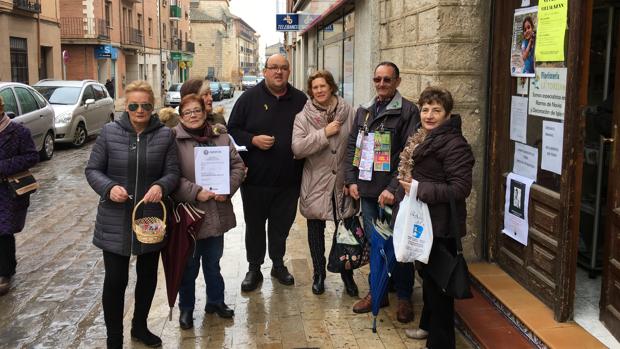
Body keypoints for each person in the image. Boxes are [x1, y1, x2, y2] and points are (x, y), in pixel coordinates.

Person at [85, 81, 180, 349]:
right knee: (116, 279)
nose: (140, 110)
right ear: (126, 106)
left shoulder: (165, 136)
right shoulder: (109, 132)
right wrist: (108, 187)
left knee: (148, 276)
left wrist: (161, 186)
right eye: (135, 105)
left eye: (146, 105)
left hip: (149, 219)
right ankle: (114, 337)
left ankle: (139, 326)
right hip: (114, 218)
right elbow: (93, 170)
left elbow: (172, 172)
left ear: (153, 107)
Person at [397, 87, 474, 349]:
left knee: (440, 288)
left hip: (442, 226)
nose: (429, 115)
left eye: (436, 110)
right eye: (425, 109)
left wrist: (420, 189)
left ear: (447, 113)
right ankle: (426, 327)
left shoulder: (454, 144)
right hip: (425, 222)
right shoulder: (424, 136)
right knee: (429, 280)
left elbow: (461, 187)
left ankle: (441, 343)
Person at [343, 62, 420, 323]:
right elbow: (354, 144)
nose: (381, 84)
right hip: (366, 191)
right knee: (376, 244)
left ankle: (405, 296)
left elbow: (410, 155)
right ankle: (378, 292)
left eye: (387, 80)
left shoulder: (408, 111)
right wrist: (351, 179)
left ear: (397, 81)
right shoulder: (364, 110)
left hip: (392, 194)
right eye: (377, 79)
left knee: (398, 244)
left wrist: (392, 189)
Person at [228, 54, 307, 292]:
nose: (279, 72)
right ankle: (254, 268)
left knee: (281, 227)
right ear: (265, 71)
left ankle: (278, 264)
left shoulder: (300, 100)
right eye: (274, 68)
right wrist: (252, 140)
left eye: (283, 68)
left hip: (288, 181)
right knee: (254, 227)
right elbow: (231, 132)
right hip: (255, 181)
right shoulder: (248, 99)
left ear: (289, 71)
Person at [173, 94, 245, 330]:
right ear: (181, 116)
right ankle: (186, 308)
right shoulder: (172, 139)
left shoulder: (220, 136)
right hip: (189, 213)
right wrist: (195, 192)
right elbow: (170, 177)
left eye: (197, 111)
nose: (193, 115)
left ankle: (215, 301)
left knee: (213, 262)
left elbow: (238, 167)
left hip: (216, 210)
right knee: (189, 266)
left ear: (205, 113)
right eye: (187, 112)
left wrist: (228, 188)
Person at [291, 70, 358, 296]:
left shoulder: (349, 112)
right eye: (315, 87)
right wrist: (323, 133)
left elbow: (357, 146)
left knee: (345, 229)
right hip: (316, 182)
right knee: (315, 229)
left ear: (331, 87)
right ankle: (319, 274)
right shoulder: (303, 117)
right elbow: (298, 149)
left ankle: (346, 273)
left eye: (323, 86)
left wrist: (353, 178)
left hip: (342, 182)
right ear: (311, 91)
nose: (319, 90)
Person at [0, 95, 39, 296]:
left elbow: (32, 156)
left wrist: (3, 167)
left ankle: (4, 273)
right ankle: (9, 264)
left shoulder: (18, 132)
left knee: (3, 230)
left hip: (8, 190)